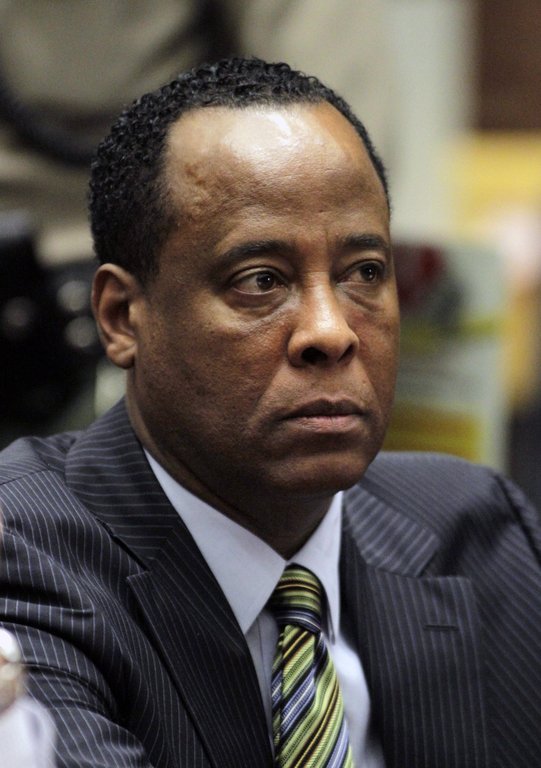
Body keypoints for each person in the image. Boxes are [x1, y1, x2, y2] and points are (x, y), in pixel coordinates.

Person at [0, 56, 539, 768]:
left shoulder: (476, 527)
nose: (331, 331)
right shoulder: (22, 554)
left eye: (364, 273)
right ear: (123, 317)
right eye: (260, 281)